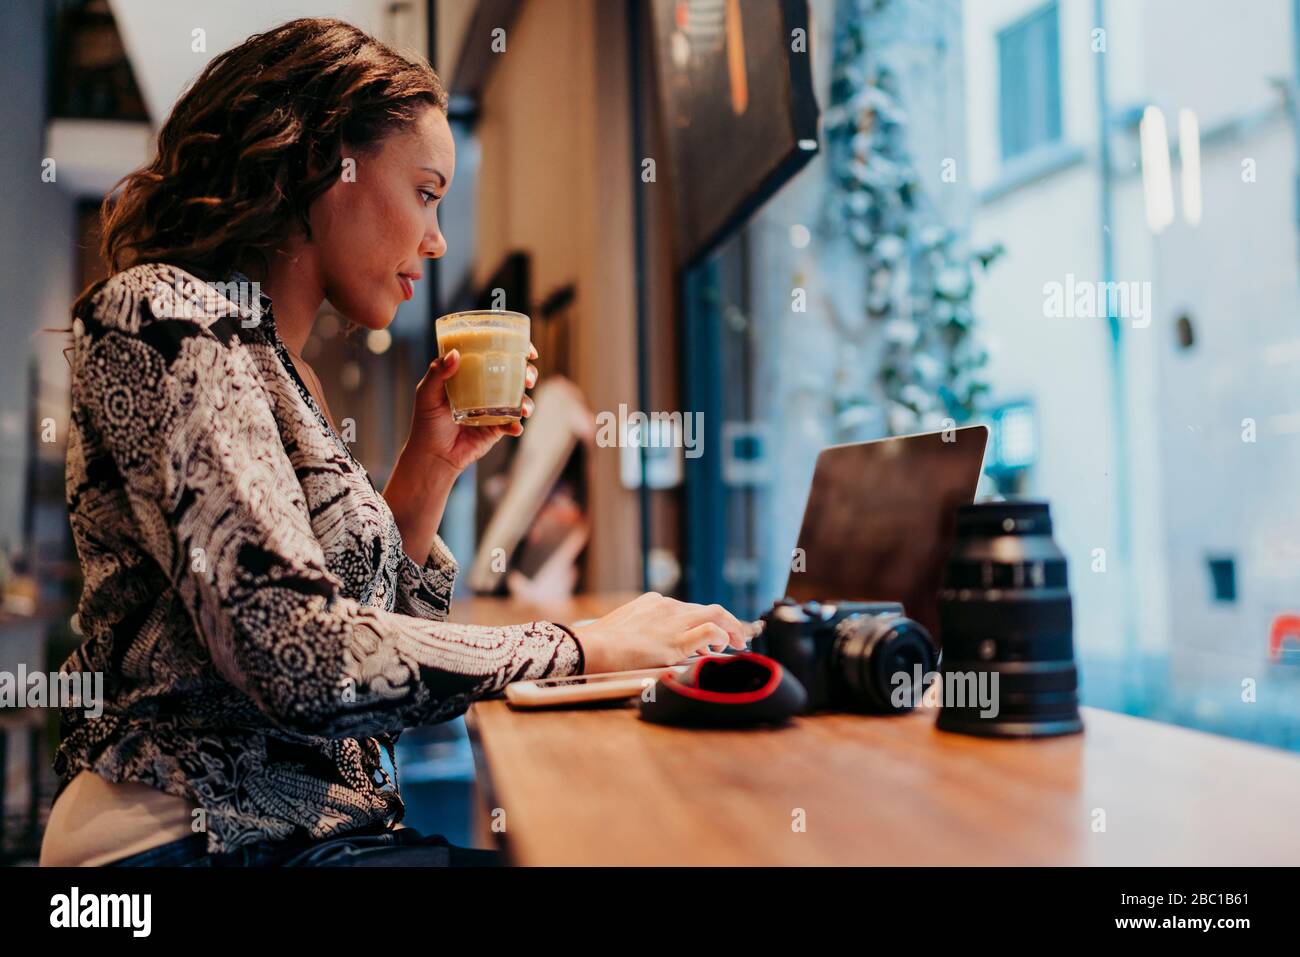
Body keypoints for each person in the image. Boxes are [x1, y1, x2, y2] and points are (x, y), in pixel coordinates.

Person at [40, 17, 749, 868]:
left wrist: (429, 467)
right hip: (180, 838)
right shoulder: (157, 313)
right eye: (425, 191)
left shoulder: (277, 370)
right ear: (320, 164)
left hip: (303, 838)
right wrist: (584, 646)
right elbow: (296, 654)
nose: (438, 237)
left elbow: (370, 649)